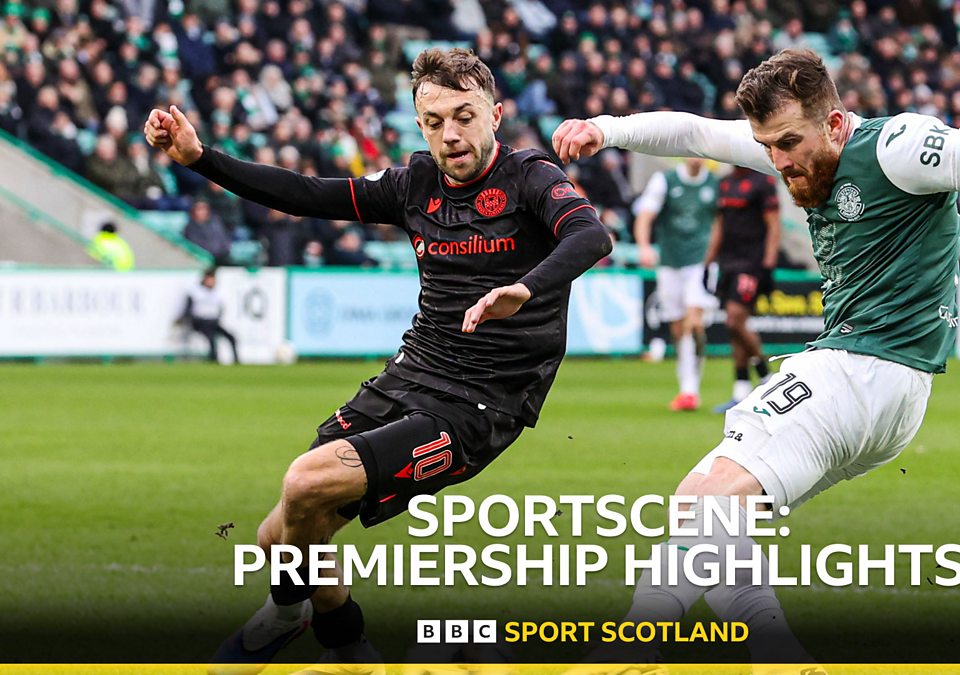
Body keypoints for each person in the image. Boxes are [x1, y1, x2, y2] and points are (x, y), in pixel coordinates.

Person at [553, 48, 960, 669]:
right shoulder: (792, 145)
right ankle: (771, 659)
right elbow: (695, 132)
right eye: (768, 146)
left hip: (862, 370)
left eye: (788, 143)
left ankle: (632, 654)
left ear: (834, 123)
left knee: (707, 500)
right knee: (707, 509)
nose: (778, 161)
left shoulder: (900, 148)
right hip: (881, 394)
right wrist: (606, 129)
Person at [144, 48, 611, 670]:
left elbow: (591, 235)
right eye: (435, 121)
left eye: (465, 116)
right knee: (278, 536)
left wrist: (523, 289)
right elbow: (305, 194)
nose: (451, 134)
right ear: (420, 125)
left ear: (495, 115)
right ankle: (348, 647)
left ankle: (284, 616)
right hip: (409, 376)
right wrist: (200, 158)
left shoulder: (530, 177)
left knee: (304, 483)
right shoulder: (414, 184)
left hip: (480, 405)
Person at [632, 157, 720, 411]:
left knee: (694, 322)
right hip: (670, 262)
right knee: (678, 327)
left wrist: (713, 254)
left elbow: (718, 222)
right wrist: (644, 247)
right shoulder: (665, 181)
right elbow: (645, 216)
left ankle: (691, 390)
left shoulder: (714, 184)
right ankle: (686, 385)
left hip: (700, 263)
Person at [705, 165, 781, 413]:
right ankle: (741, 389)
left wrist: (768, 263)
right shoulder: (725, 182)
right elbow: (719, 224)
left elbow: (773, 224)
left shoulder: (763, 182)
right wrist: (708, 260)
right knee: (734, 327)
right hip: (727, 263)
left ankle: (767, 376)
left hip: (752, 264)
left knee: (735, 320)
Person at [180, 268, 239, 364]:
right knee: (211, 338)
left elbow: (220, 309)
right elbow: (188, 309)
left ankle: (236, 360)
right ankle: (214, 359)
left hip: (213, 322)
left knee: (231, 337)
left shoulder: (218, 292)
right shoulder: (195, 291)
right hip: (200, 322)